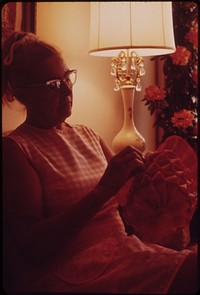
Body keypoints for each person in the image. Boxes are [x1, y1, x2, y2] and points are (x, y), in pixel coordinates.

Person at [2, 31, 198, 294]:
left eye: (66, 77)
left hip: (120, 251)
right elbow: (34, 247)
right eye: (52, 85)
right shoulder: (17, 148)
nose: (66, 89)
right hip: (73, 269)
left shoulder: (87, 133)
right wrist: (103, 189)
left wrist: (159, 183)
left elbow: (130, 198)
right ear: (20, 93)